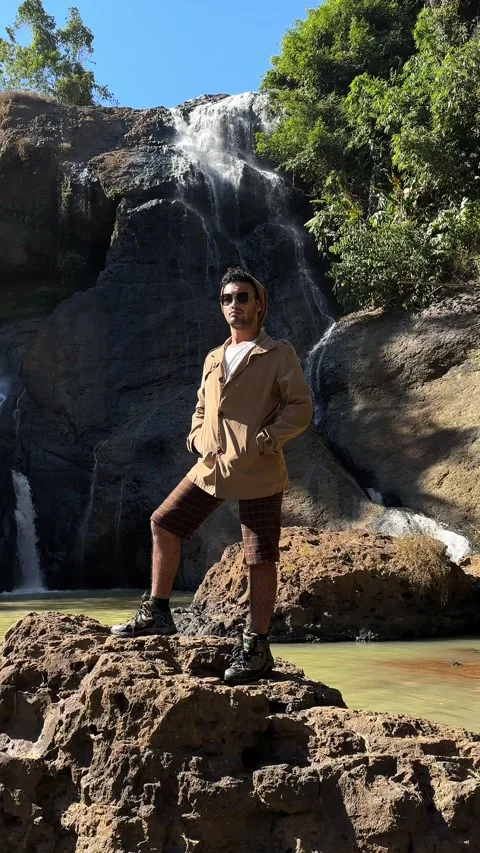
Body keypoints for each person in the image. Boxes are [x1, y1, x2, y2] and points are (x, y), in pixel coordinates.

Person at [111, 267, 313, 684]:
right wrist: (195, 436)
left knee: (259, 556)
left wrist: (268, 439)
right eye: (227, 299)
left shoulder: (278, 353)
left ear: (260, 304)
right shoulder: (213, 357)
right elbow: (203, 405)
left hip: (257, 466)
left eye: (242, 297)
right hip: (211, 465)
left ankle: (257, 647)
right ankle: (158, 612)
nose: (234, 305)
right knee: (164, 522)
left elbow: (300, 407)